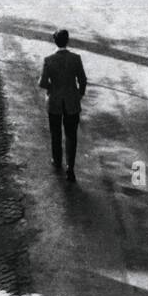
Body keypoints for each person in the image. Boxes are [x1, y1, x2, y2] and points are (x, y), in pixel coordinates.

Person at [38, 29, 88, 182]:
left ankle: (57, 160)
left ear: (55, 41)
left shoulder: (48, 60)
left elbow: (42, 83)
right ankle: (70, 169)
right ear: (68, 41)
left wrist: (51, 89)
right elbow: (83, 80)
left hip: (54, 102)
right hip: (71, 102)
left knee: (55, 133)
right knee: (71, 136)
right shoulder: (75, 58)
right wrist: (78, 95)